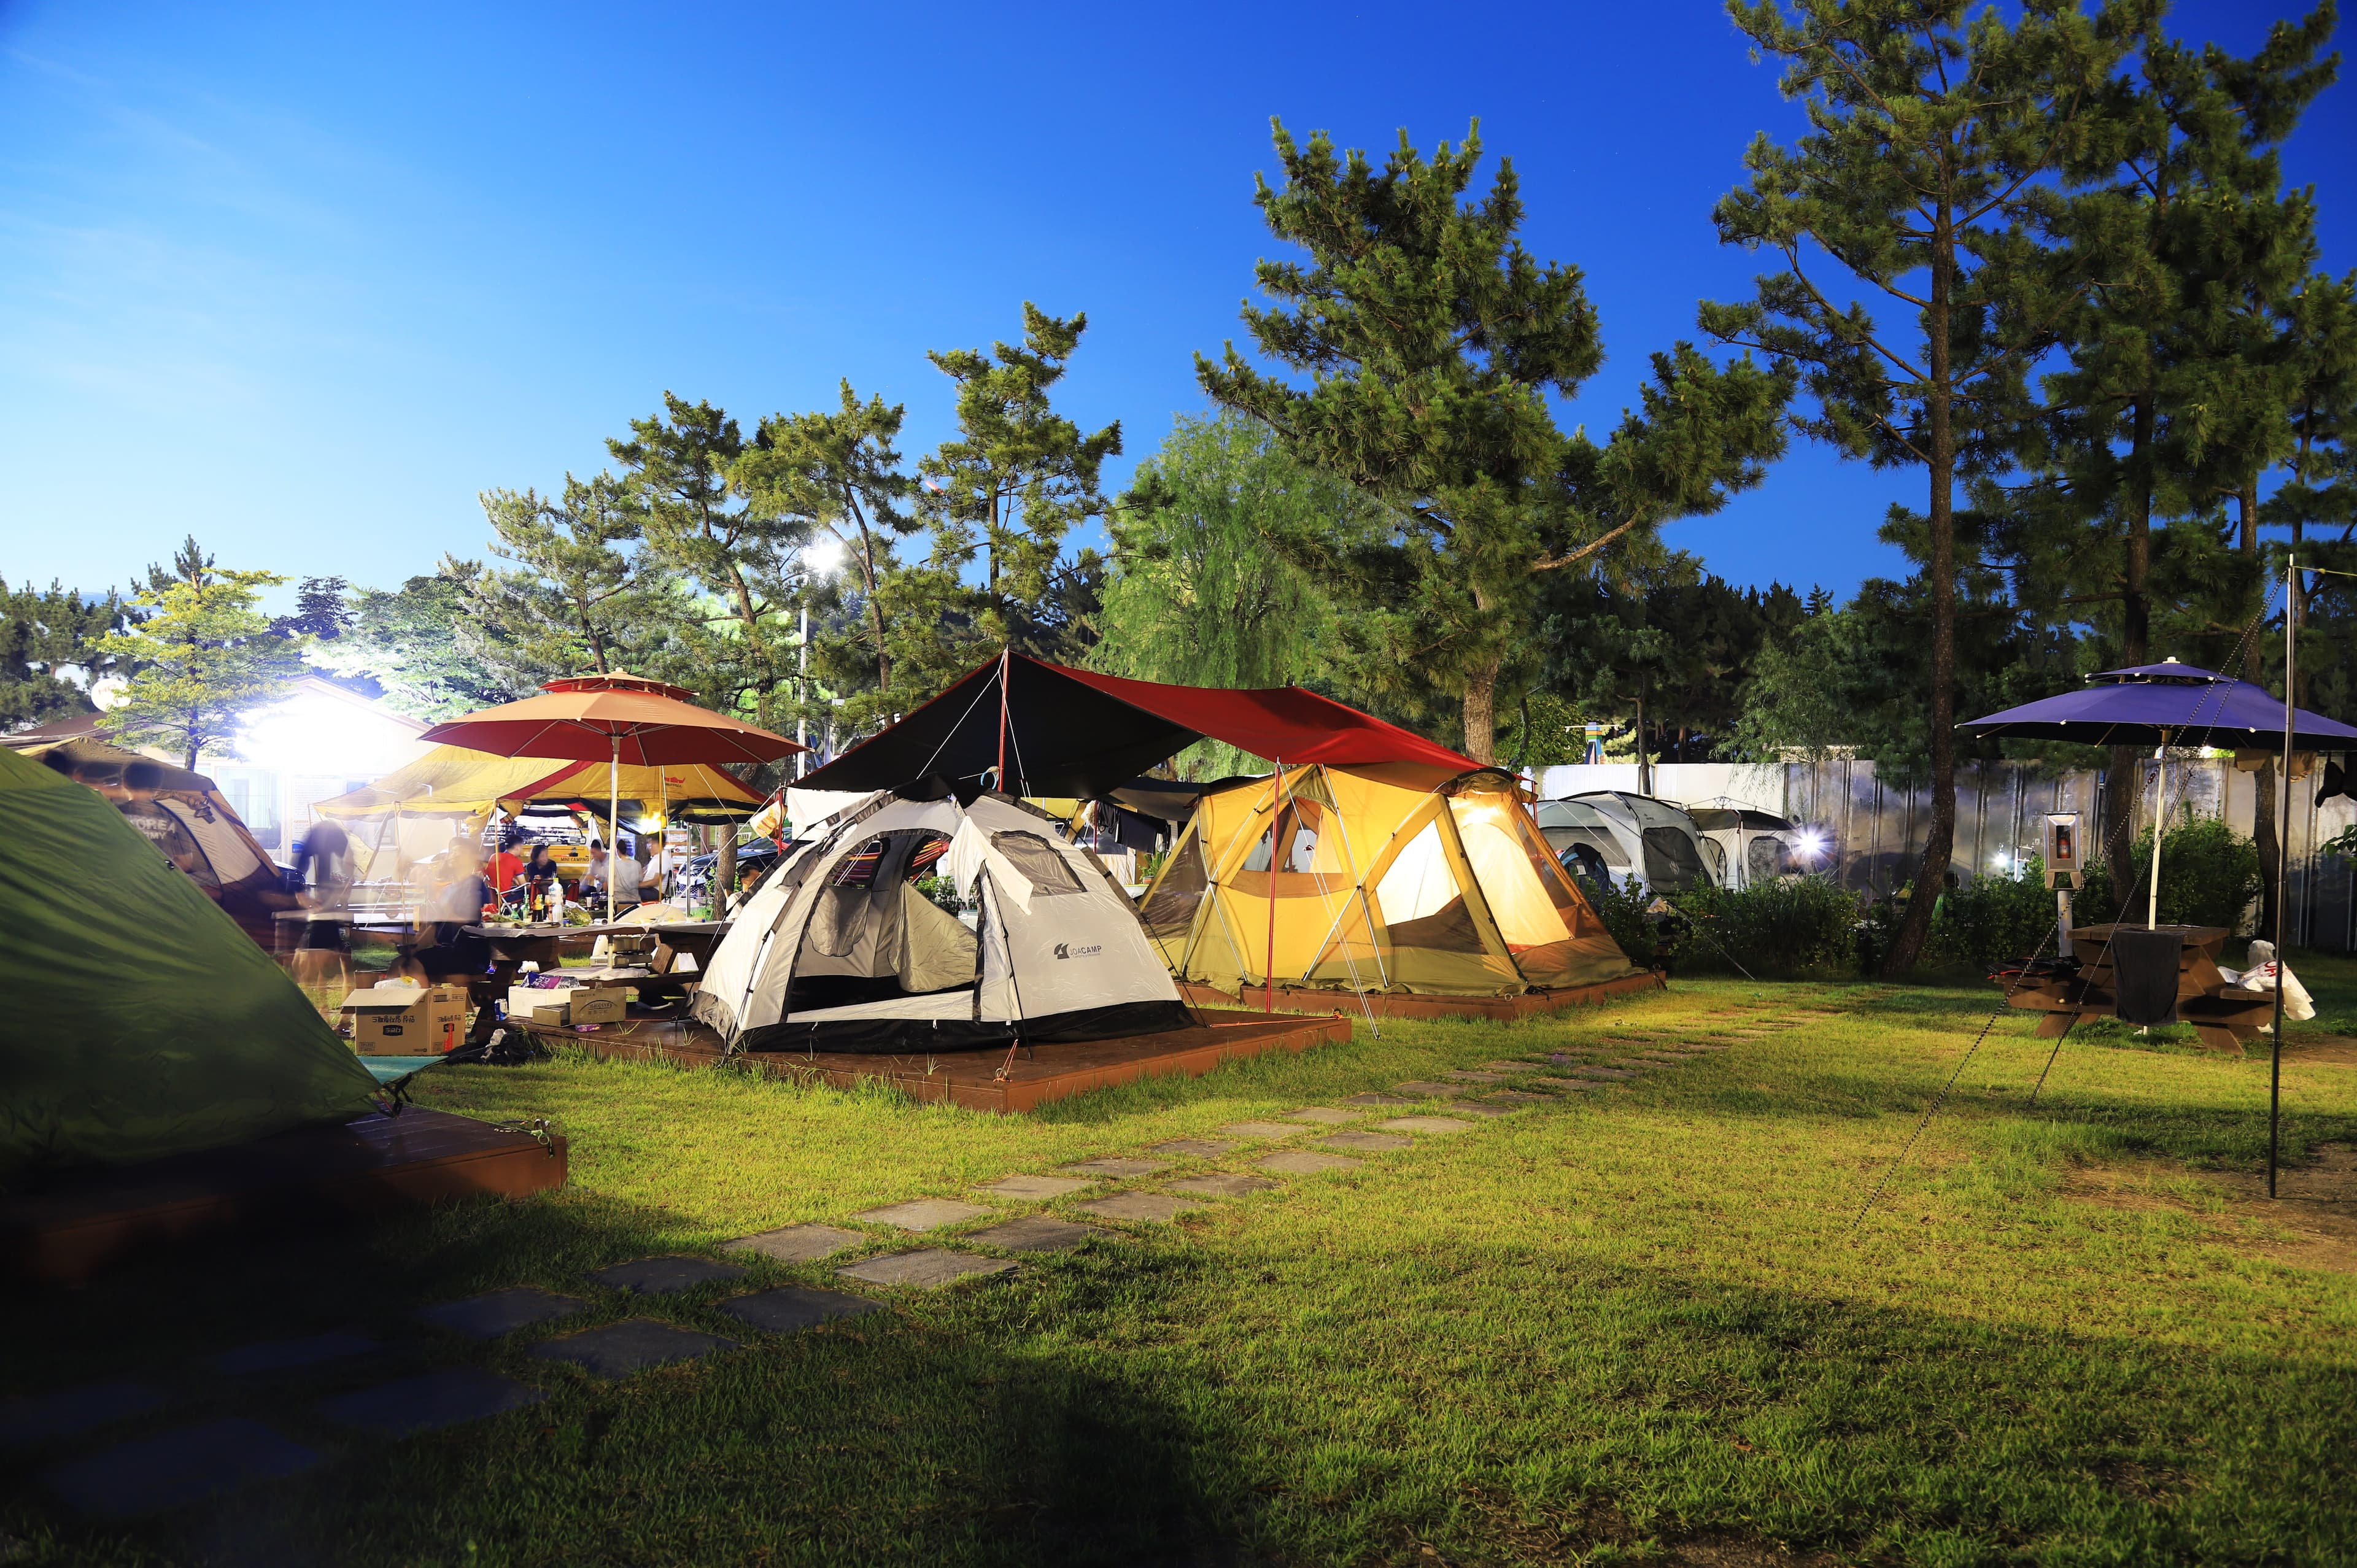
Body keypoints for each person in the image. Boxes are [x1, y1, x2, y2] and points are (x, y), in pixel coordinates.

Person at [118, 760, 217, 895]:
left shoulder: (112, 813)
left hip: (123, 880)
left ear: (124, 784)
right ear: (158, 787)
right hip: (163, 880)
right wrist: (162, 872)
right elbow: (185, 862)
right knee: (214, 877)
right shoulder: (171, 817)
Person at [291, 819, 355, 986]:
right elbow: (300, 863)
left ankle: (323, 1004)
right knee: (310, 966)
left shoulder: (337, 839)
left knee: (333, 962)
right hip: (322, 912)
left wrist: (345, 887)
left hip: (325, 913)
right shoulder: (326, 835)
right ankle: (322, 1003)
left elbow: (349, 866)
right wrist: (300, 893)